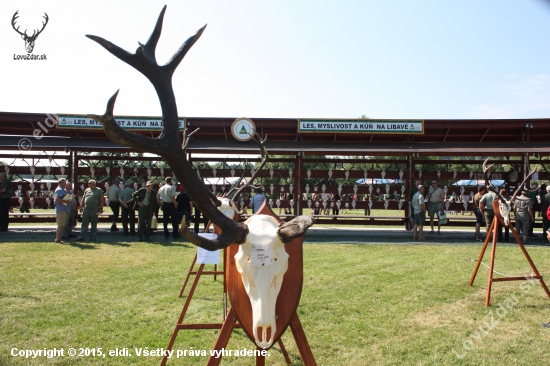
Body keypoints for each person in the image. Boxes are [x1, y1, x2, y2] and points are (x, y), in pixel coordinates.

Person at [53, 178, 74, 244]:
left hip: (63, 209)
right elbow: (57, 199)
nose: (66, 184)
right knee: (60, 225)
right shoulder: (59, 190)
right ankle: (58, 239)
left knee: (61, 225)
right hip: (61, 210)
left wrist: (70, 197)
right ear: (61, 183)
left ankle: (58, 238)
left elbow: (62, 198)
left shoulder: (62, 190)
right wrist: (66, 201)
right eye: (65, 183)